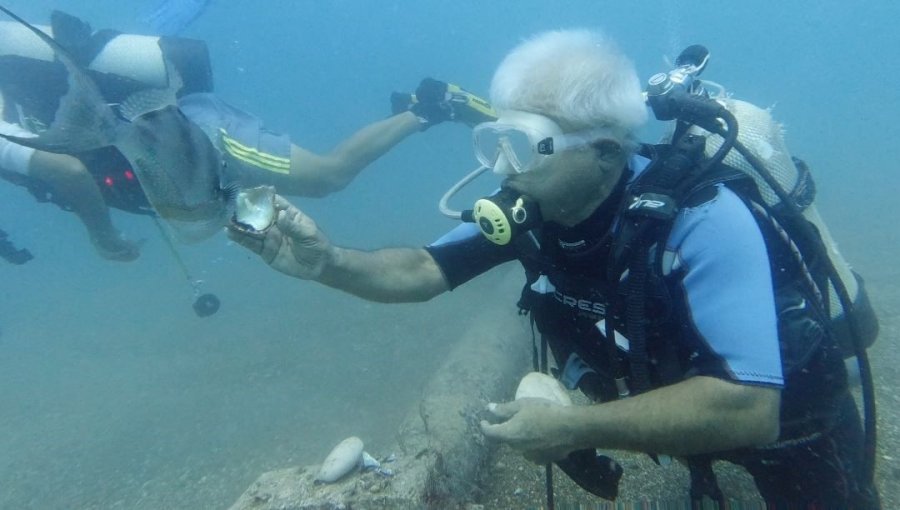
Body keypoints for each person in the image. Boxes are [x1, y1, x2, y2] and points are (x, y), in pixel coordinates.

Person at [227, 30, 880, 508]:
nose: (505, 166)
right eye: (496, 139)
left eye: (525, 144)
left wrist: (574, 428)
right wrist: (327, 263)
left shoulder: (701, 217)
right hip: (677, 388)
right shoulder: (536, 203)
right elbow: (422, 272)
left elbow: (749, 407)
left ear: (604, 152)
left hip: (794, 416)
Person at [0, 10, 494, 262]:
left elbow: (63, 168)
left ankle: (436, 104)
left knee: (327, 176)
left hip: (195, 133)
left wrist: (102, 236)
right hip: (163, 140)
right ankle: (410, 111)